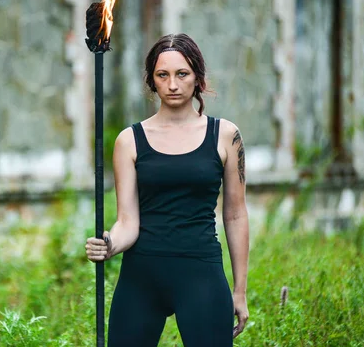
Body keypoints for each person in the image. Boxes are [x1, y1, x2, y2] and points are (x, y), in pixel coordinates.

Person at [85, 33, 249, 347]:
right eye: (163, 75)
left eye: (182, 74)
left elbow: (235, 214)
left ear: (198, 78)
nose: (172, 84)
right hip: (141, 277)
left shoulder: (226, 135)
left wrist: (239, 290)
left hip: (201, 273)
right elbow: (128, 222)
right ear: (152, 81)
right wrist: (108, 244)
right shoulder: (129, 140)